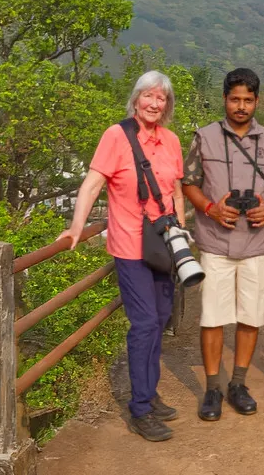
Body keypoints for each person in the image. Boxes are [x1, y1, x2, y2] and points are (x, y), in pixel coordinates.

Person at [58, 70, 185, 442]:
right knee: (144, 323)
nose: (154, 103)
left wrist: (180, 235)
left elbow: (175, 192)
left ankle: (150, 391)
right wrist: (77, 226)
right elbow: (92, 185)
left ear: (167, 105)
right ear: (136, 99)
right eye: (148, 95)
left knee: (160, 319)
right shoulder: (117, 136)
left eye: (161, 98)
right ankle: (140, 409)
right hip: (130, 246)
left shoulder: (172, 141)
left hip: (163, 244)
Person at [182, 67, 264, 421]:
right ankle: (213, 388)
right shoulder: (204, 137)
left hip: (257, 243)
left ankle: (238, 384)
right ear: (224, 99)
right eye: (234, 99)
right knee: (213, 318)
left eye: (247, 100)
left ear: (257, 101)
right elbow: (189, 182)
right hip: (216, 242)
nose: (241, 106)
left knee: (251, 316)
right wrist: (210, 209)